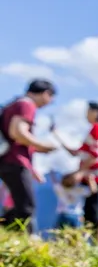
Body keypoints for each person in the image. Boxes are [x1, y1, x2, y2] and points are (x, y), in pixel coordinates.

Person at [0, 79, 58, 233]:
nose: (50, 102)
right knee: (26, 207)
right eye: (51, 97)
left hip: (8, 160)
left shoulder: (14, 104)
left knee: (20, 205)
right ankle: (15, 239)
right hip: (15, 161)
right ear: (45, 93)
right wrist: (42, 145)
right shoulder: (26, 104)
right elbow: (17, 132)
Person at [56, 100, 98, 243]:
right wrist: (56, 135)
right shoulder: (96, 130)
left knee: (91, 209)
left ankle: (96, 239)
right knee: (88, 208)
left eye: (89, 111)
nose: (86, 114)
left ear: (97, 113)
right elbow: (77, 153)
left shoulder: (97, 130)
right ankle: (89, 238)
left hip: (96, 177)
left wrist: (80, 172)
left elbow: (95, 154)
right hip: (89, 176)